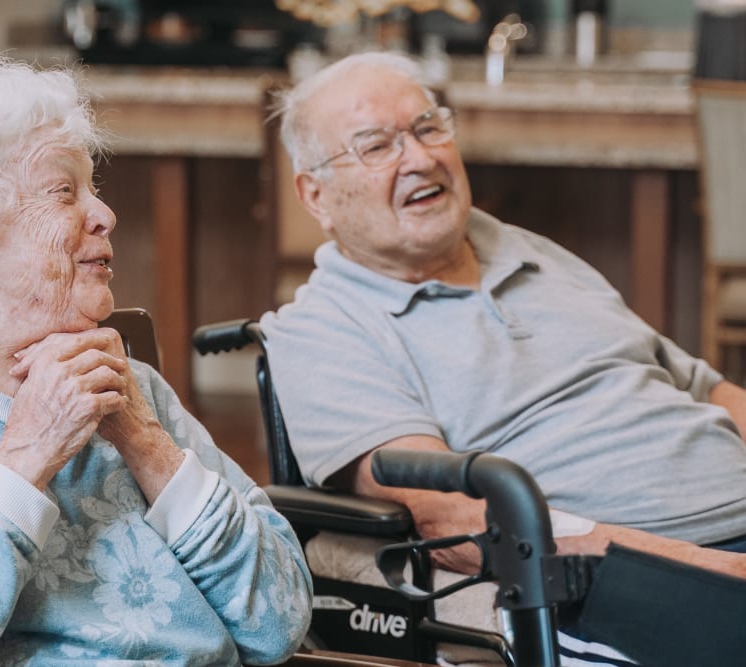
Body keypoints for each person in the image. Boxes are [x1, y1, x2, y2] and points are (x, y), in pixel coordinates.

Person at [0, 58, 312, 666]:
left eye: (93, 189)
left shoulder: (132, 389)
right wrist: (26, 456)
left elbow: (280, 621)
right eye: (63, 191)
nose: (105, 215)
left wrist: (148, 446)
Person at [259, 50, 746, 658]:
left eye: (429, 127)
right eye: (377, 146)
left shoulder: (529, 251)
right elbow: (453, 520)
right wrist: (701, 569)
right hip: (637, 572)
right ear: (316, 195)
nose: (420, 156)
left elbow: (705, 386)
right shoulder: (322, 331)